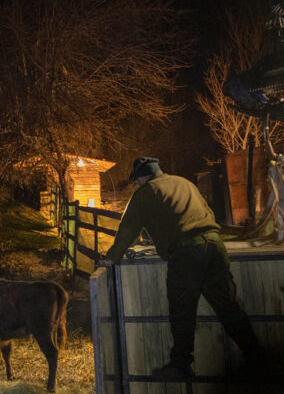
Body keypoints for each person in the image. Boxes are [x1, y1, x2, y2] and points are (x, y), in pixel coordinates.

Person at [104, 157, 264, 381]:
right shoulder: (185, 183)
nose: (137, 184)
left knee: (182, 310)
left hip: (187, 253)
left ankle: (180, 365)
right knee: (228, 306)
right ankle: (257, 357)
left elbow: (128, 228)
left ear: (142, 176)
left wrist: (112, 258)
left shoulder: (146, 192)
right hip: (215, 246)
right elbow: (207, 213)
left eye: (137, 180)